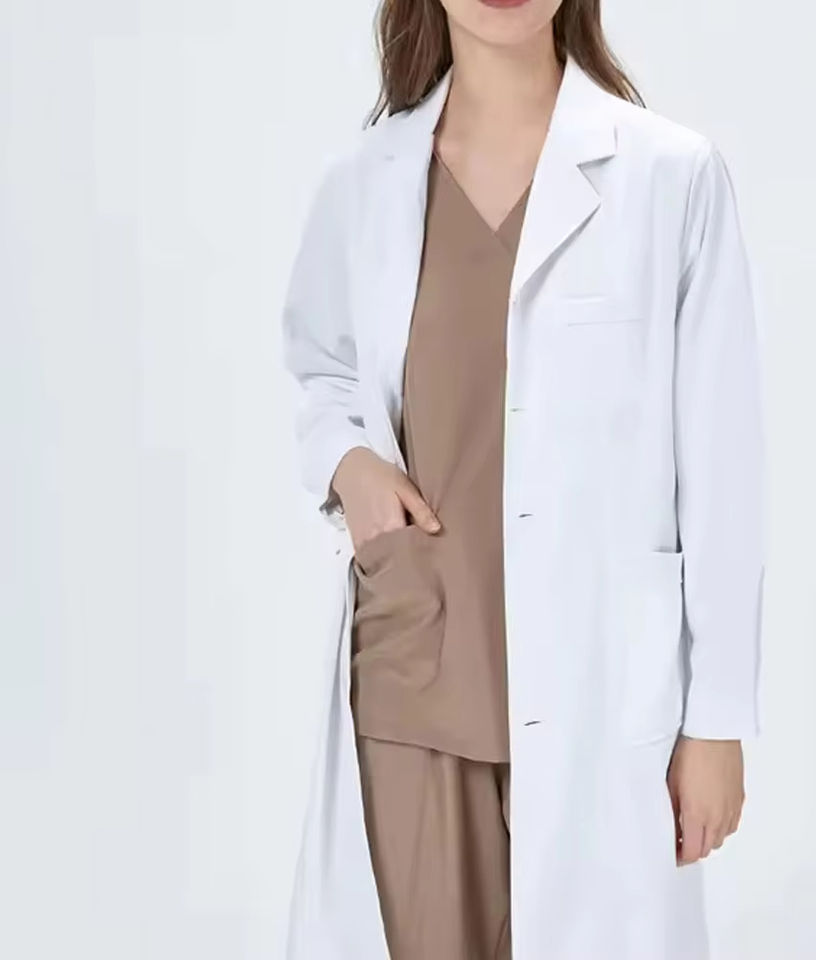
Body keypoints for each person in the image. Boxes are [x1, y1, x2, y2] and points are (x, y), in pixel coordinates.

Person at [282, 1, 764, 958]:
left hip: (605, 699)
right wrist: (349, 462)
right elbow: (319, 367)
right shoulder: (365, 183)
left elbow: (723, 463)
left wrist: (716, 720)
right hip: (415, 679)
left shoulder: (671, 178)